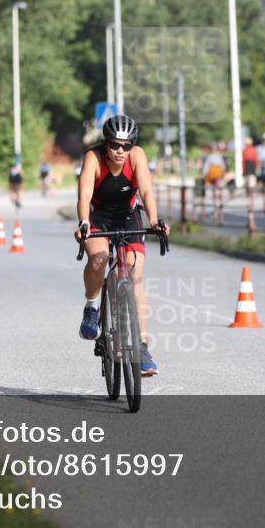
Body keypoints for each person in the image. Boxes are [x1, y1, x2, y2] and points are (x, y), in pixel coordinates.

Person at [74, 114, 169, 376]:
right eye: (115, 145)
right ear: (106, 144)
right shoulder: (93, 158)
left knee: (135, 275)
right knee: (98, 258)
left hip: (129, 217)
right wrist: (83, 222)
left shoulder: (137, 156)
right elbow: (84, 196)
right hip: (99, 217)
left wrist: (153, 219)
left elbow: (147, 191)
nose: (120, 151)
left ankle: (141, 347)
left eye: (126, 146)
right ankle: (92, 307)